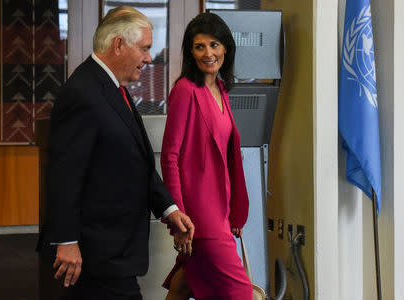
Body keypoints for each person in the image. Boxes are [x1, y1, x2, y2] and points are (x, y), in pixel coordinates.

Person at [37, 6, 194, 300]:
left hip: (115, 252)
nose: (149, 58)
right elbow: (64, 175)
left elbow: (136, 161)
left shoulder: (111, 87)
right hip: (93, 254)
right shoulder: (82, 92)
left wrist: (169, 209)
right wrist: (67, 241)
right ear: (119, 44)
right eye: (145, 48)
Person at [161, 12, 252, 300]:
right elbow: (169, 157)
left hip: (220, 209)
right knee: (240, 293)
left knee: (183, 285)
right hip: (200, 216)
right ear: (191, 51)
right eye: (200, 46)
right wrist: (178, 218)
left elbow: (227, 156)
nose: (208, 53)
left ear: (226, 47)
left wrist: (234, 208)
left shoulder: (222, 89)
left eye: (214, 45)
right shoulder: (185, 91)